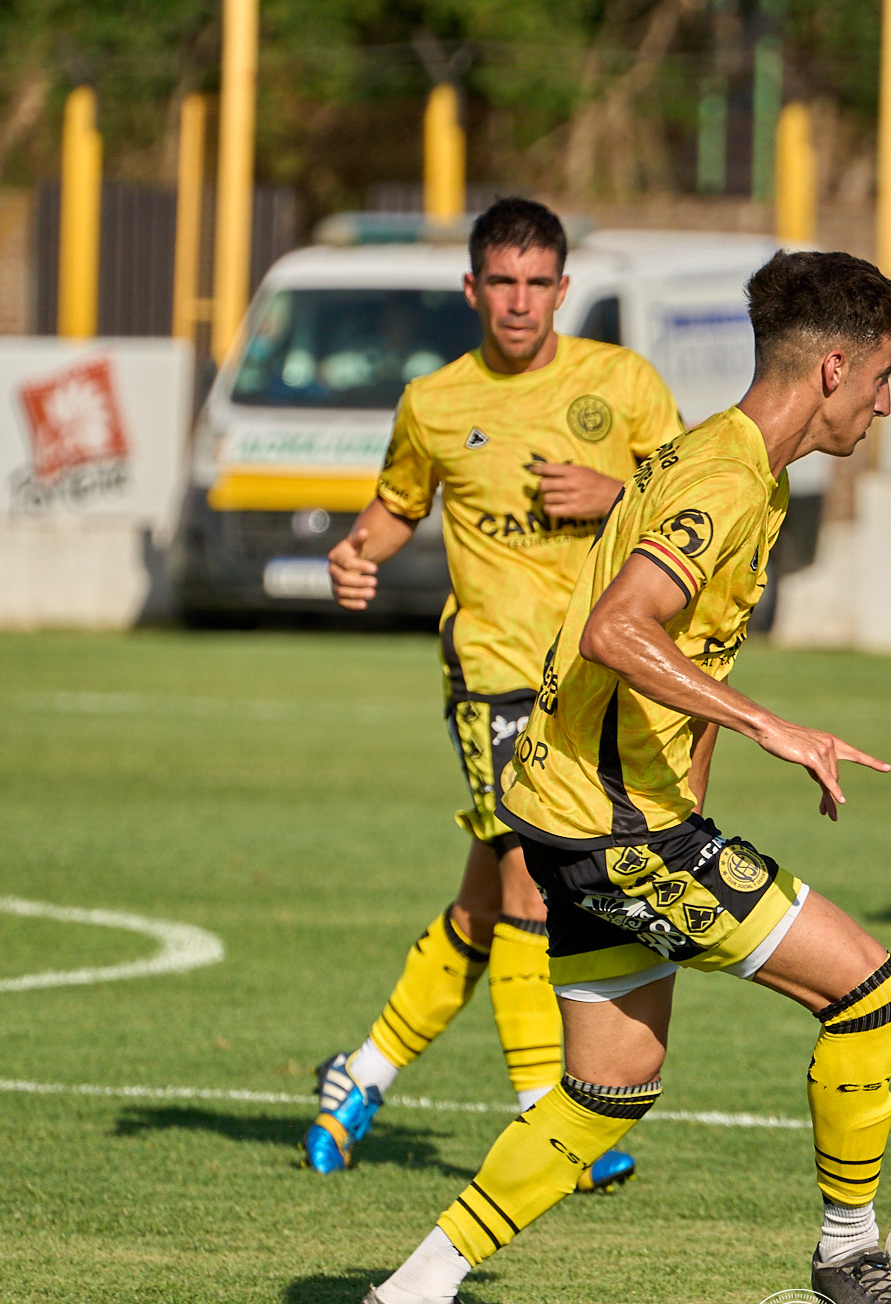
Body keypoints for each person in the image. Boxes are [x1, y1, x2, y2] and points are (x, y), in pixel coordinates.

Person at [351, 249, 891, 1304]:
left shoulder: (717, 452)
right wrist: (774, 724)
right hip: (620, 832)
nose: (883, 401)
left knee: (607, 1087)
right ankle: (849, 1258)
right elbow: (619, 626)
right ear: (833, 368)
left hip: (571, 810)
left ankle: (412, 1293)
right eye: (882, 375)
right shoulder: (722, 475)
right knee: (867, 993)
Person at [307, 198, 684, 1191]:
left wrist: (614, 498)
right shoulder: (433, 402)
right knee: (532, 879)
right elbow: (392, 509)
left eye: (536, 282)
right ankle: (547, 1116)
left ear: (563, 289)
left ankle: (363, 1071)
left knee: (482, 911)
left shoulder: (624, 384)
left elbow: (692, 500)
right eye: (500, 282)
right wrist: (357, 555)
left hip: (596, 678)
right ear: (470, 289)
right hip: (494, 673)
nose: (518, 302)